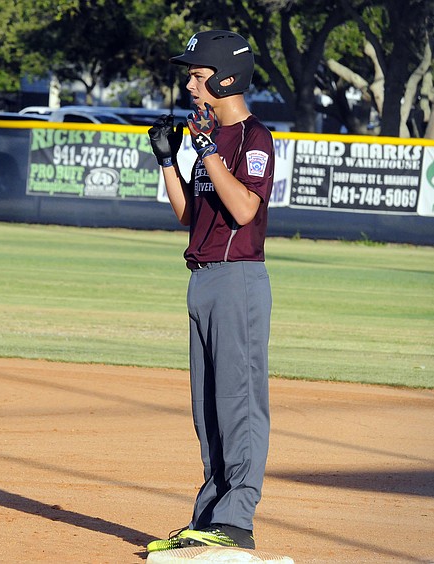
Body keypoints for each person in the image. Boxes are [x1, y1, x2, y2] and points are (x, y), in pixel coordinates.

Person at [145, 30, 275, 553]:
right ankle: (210, 513)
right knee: (208, 409)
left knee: (238, 402)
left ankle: (236, 518)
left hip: (237, 279)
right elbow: (189, 216)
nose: (189, 84)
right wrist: (169, 161)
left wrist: (206, 150)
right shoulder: (210, 142)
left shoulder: (252, 137)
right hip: (202, 279)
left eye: (198, 75)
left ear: (226, 78)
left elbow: (244, 210)